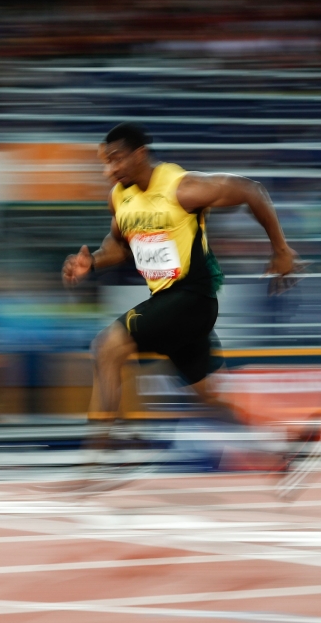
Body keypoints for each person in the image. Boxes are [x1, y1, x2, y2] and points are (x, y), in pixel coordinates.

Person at [63, 122, 301, 436]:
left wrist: (281, 250)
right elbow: (119, 246)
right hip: (168, 305)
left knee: (106, 346)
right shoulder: (120, 198)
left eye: (117, 159)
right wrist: (91, 262)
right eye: (106, 162)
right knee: (210, 398)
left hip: (193, 298)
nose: (110, 169)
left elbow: (250, 190)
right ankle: (281, 446)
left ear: (141, 154)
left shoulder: (181, 187)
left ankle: (101, 452)